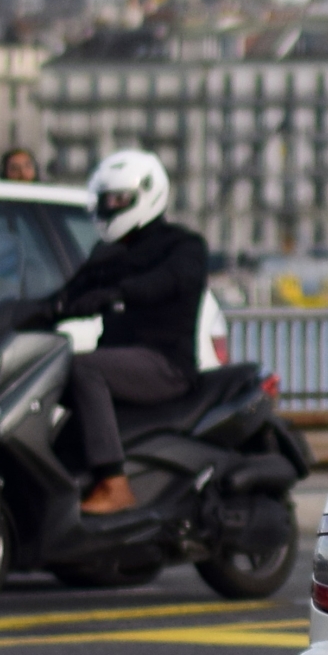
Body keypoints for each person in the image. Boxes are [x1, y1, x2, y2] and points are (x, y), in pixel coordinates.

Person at [49, 152, 207, 516]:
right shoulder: (108, 253)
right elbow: (69, 293)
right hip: (127, 365)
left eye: (119, 200)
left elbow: (168, 281)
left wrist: (120, 293)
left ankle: (115, 484)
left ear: (148, 194)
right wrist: (28, 311)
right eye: (105, 201)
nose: (110, 208)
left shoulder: (182, 245)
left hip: (167, 364)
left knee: (84, 368)